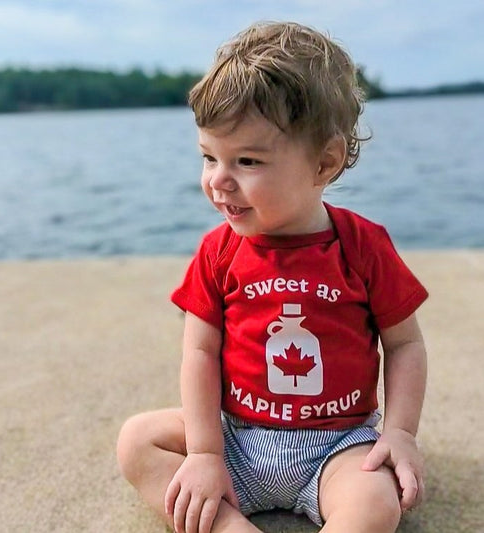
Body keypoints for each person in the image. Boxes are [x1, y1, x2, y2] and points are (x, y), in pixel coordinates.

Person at [117, 21, 428, 533]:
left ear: (324, 161)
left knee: (376, 504)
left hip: (337, 446)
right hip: (235, 438)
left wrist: (400, 431)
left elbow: (404, 346)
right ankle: (228, 525)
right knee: (137, 441)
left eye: (247, 160)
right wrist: (204, 453)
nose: (218, 180)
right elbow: (199, 351)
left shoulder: (363, 245)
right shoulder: (219, 251)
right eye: (209, 157)